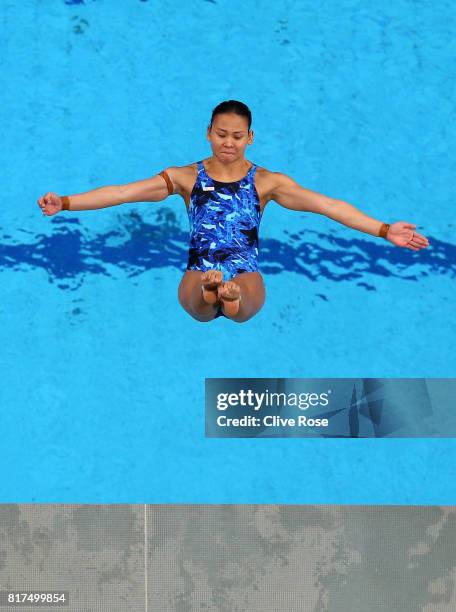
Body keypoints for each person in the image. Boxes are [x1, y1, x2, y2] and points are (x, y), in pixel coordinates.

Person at [37, 99, 429, 323]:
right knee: (200, 310)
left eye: (237, 136)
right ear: (209, 132)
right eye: (221, 134)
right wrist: (68, 202)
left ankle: (226, 294)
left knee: (243, 311)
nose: (228, 143)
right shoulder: (186, 177)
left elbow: (328, 206)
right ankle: (213, 293)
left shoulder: (267, 183)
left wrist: (383, 229)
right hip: (199, 267)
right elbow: (123, 192)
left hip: (244, 268)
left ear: (250, 138)